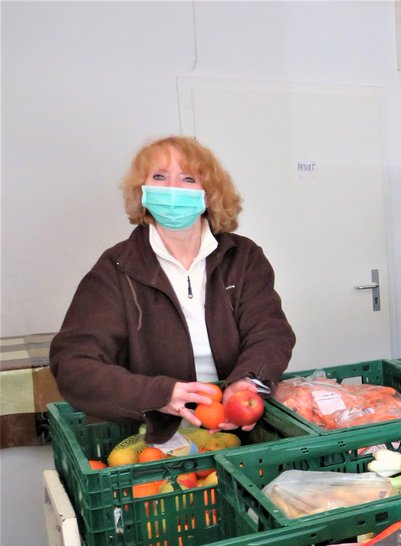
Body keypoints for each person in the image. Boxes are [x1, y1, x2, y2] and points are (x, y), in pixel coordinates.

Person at [50, 136, 296, 443]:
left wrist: (248, 382)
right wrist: (158, 394)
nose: (172, 189)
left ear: (209, 194)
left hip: (239, 426)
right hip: (151, 435)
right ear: (142, 191)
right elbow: (73, 363)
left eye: (188, 178)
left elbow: (270, 333)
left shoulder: (244, 257)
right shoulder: (116, 267)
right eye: (159, 177)